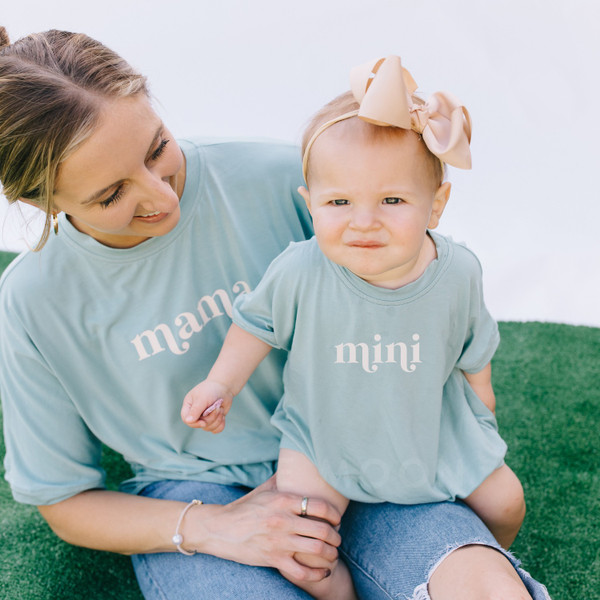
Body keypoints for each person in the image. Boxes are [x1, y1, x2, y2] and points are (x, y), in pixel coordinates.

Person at [0, 28, 550, 600]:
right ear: (40, 201)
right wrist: (215, 528)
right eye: (111, 195)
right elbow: (65, 500)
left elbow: (422, 287)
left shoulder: (286, 178)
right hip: (201, 494)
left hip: (362, 450)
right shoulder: (33, 302)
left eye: (157, 149)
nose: (161, 198)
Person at [182, 56, 527, 599]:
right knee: (302, 542)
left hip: (430, 433)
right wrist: (218, 384)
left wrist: (482, 411)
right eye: (339, 202)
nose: (363, 220)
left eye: (392, 200)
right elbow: (253, 328)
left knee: (507, 500)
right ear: (310, 205)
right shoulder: (299, 270)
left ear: (436, 204)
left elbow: (472, 348)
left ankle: (485, 551)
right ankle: (340, 590)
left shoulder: (457, 271)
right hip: (323, 438)